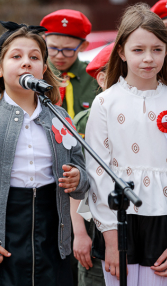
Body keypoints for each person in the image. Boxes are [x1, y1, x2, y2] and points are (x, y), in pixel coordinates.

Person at [0, 20, 89, 286]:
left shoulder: (59, 117)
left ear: (44, 68)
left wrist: (79, 178)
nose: (26, 62)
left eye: (35, 57)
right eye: (16, 56)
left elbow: (82, 174)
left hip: (50, 236)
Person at [85, 3, 167, 285]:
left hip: (163, 216)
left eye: (157, 49)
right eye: (138, 50)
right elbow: (98, 171)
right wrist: (110, 238)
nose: (148, 58)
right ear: (121, 51)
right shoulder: (106, 102)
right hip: (120, 219)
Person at [40, 9, 99, 285]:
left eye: (68, 49)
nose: (59, 55)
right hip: (45, 176)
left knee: (82, 245)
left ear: (83, 46)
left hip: (84, 181)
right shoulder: (35, 79)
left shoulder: (93, 80)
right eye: (53, 48)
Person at [72, 43, 114, 286]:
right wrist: (80, 233)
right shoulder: (84, 122)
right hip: (93, 224)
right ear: (101, 79)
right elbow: (76, 183)